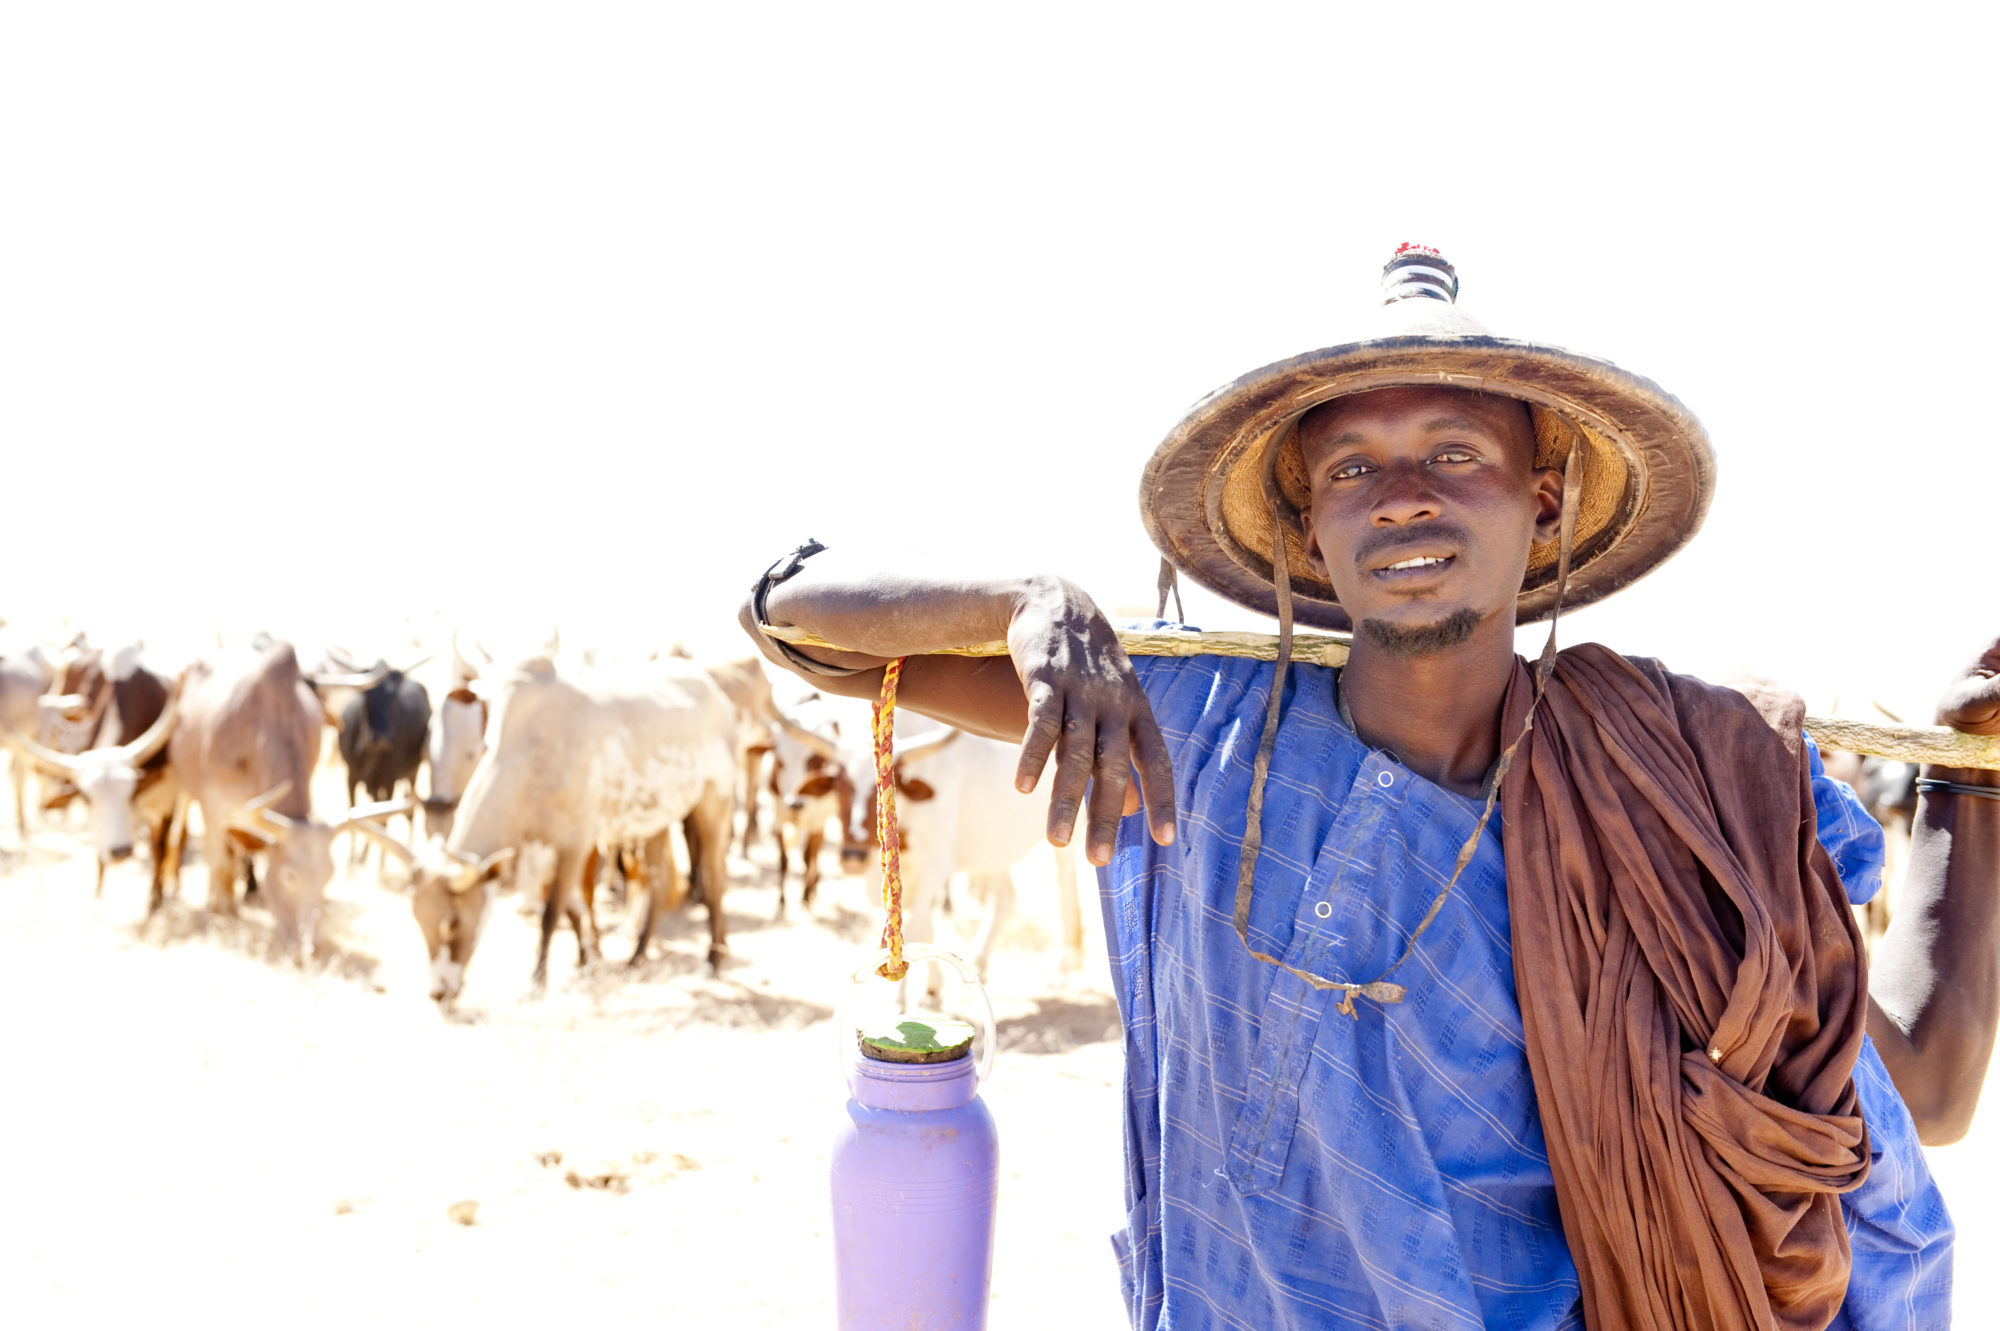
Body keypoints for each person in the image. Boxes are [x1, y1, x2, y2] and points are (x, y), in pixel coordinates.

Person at [741, 248, 1993, 1329]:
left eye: (1454, 453)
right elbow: (800, 622)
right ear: (1305, 524)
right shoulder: (1178, 720)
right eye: (1350, 468)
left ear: (1542, 505)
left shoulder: (1668, 801)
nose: (1403, 493)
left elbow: (1924, 1093)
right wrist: (1022, 600)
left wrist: (1962, 785)